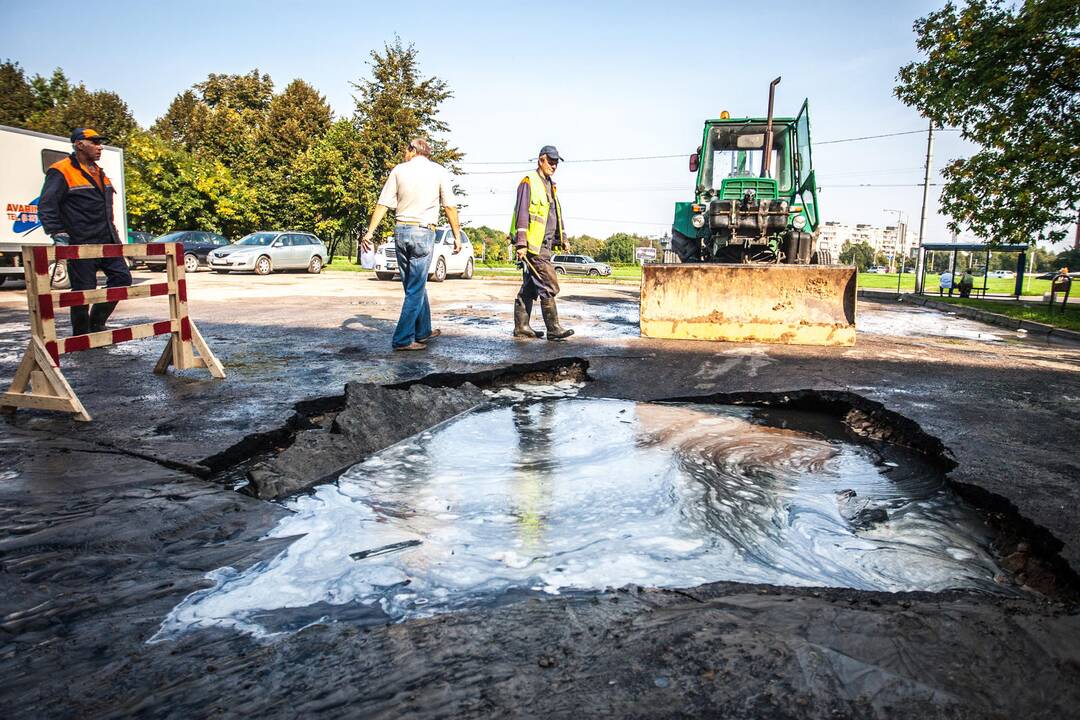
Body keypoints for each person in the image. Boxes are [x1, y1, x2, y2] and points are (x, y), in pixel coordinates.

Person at [360, 138, 461, 351]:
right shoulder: (439, 171)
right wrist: (457, 236)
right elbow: (450, 207)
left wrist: (370, 232)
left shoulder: (399, 170)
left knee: (413, 286)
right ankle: (402, 339)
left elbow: (383, 203)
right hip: (423, 233)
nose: (404, 155)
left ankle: (423, 331)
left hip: (401, 231)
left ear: (413, 150)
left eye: (406, 151)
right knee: (415, 287)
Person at [38, 128, 131, 336]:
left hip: (107, 240)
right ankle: (80, 334)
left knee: (122, 279)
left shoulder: (100, 173)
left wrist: (115, 239)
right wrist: (57, 233)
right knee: (83, 290)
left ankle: (96, 323)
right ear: (79, 144)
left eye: (100, 143)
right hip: (81, 242)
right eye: (94, 142)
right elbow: (47, 205)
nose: (100, 147)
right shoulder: (61, 171)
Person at [510, 145, 573, 341]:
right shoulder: (529, 182)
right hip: (532, 245)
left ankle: (521, 327)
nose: (553, 165)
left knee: (530, 285)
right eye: (550, 161)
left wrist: (562, 238)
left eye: (556, 162)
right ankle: (553, 329)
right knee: (548, 283)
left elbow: (555, 215)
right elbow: (522, 212)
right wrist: (521, 243)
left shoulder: (550, 185)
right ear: (540, 160)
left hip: (544, 245)